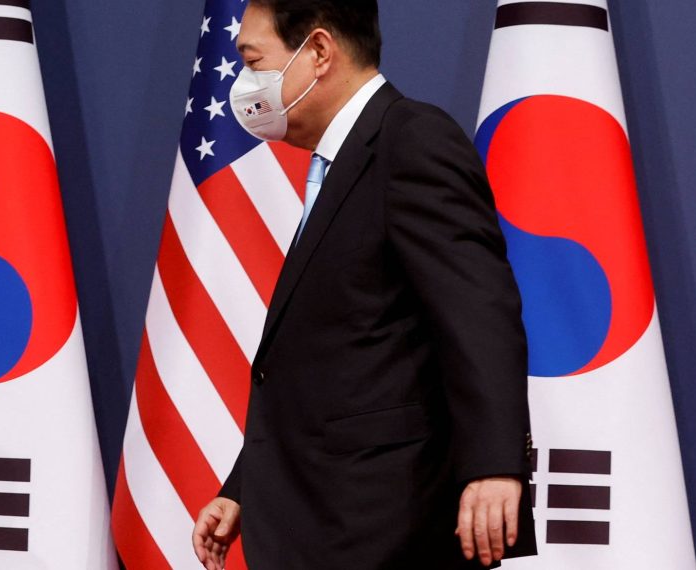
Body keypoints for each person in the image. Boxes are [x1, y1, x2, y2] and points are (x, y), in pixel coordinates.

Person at [192, 1, 537, 568]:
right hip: (321, 525)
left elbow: (479, 311)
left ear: (320, 53)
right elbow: (336, 363)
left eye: (253, 61)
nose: (243, 84)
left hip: (384, 530)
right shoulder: (336, 166)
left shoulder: (411, 139)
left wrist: (495, 464)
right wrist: (243, 487)